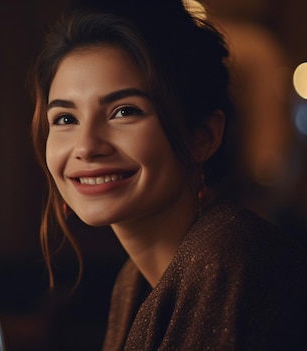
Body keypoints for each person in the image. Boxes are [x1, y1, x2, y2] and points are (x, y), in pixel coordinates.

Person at [29, 0, 307, 349]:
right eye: (66, 119)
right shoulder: (133, 280)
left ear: (202, 138)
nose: (86, 146)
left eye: (124, 111)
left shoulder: (230, 258)